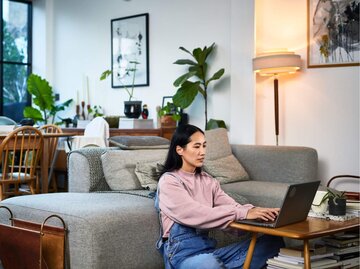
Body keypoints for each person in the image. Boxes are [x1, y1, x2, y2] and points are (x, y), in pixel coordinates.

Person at [155, 124, 284, 269]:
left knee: (273, 243)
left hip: (210, 253)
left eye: (204, 146)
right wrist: (242, 213)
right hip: (182, 257)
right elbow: (196, 213)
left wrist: (257, 213)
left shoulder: (208, 180)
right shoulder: (169, 181)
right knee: (209, 263)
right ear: (180, 150)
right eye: (196, 147)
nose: (202, 152)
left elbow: (231, 206)